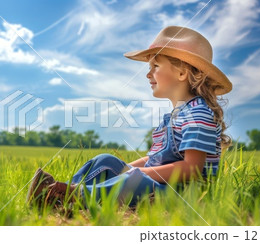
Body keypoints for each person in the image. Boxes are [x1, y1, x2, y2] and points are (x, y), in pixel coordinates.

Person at [26, 25, 232, 209]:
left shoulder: (198, 113)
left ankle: (73, 195)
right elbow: (154, 160)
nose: (148, 74)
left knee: (133, 180)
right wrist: (126, 168)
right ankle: (68, 192)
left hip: (182, 193)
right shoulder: (176, 115)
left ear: (182, 74)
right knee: (105, 161)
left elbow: (192, 168)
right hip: (160, 183)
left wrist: (135, 174)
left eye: (155, 67)